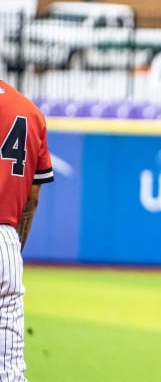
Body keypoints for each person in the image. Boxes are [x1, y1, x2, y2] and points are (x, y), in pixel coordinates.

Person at [0, 80, 54, 381]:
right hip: (5, 240)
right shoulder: (28, 111)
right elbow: (32, 197)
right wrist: (11, 253)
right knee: (9, 370)